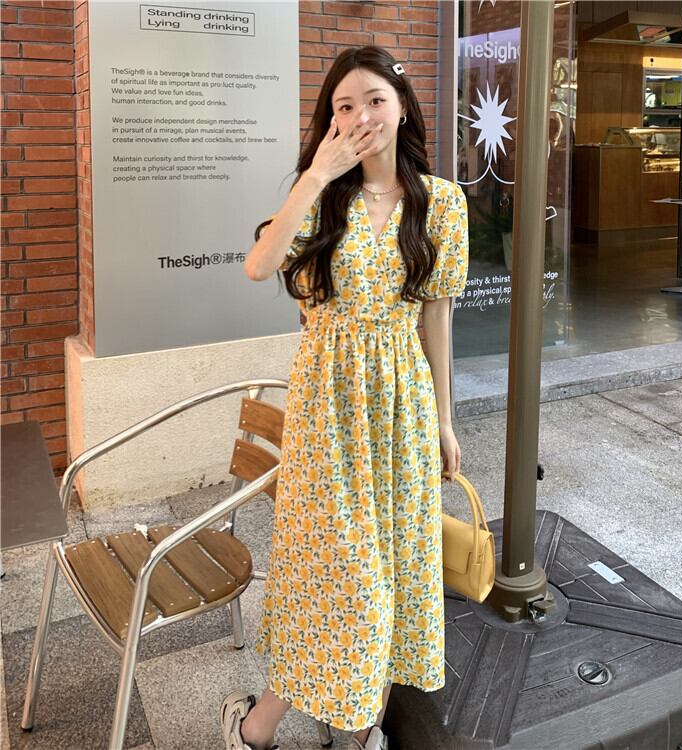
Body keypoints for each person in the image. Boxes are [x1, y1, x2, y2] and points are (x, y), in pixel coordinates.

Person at [220, 45, 469, 750]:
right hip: (327, 409)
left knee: (393, 567)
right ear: (330, 120)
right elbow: (259, 265)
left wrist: (445, 421)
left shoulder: (442, 202)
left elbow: (437, 319)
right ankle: (292, 727)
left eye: (375, 100)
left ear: (403, 108)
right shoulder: (322, 196)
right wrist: (316, 175)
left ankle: (321, 731)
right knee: (339, 572)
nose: (361, 116)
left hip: (401, 405)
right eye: (344, 106)